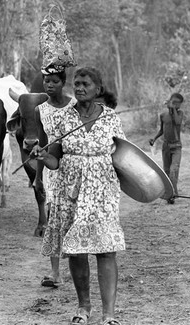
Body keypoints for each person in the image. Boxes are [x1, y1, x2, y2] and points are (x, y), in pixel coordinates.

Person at [32, 66, 126, 325]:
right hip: (70, 191)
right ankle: (83, 308)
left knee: (106, 250)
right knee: (76, 251)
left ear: (98, 89)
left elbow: (124, 157)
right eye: (77, 83)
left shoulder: (111, 119)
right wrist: (43, 155)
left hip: (103, 193)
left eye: (86, 84)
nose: (80, 88)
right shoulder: (64, 119)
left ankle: (109, 315)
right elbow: (55, 160)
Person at [35, 67, 76, 288]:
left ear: (63, 82)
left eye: (53, 81)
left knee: (74, 218)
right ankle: (55, 272)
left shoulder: (75, 106)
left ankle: (75, 268)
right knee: (54, 219)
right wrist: (38, 177)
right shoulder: (40, 110)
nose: (49, 85)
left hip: (75, 169)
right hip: (53, 171)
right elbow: (43, 146)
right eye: (46, 81)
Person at [149, 93, 184, 204]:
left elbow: (177, 122)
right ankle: (170, 195)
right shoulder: (163, 115)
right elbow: (162, 130)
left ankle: (173, 193)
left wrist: (173, 109)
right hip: (166, 147)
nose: (176, 105)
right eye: (173, 102)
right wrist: (154, 139)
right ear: (169, 101)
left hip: (176, 147)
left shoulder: (180, 113)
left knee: (174, 170)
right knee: (167, 171)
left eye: (178, 103)